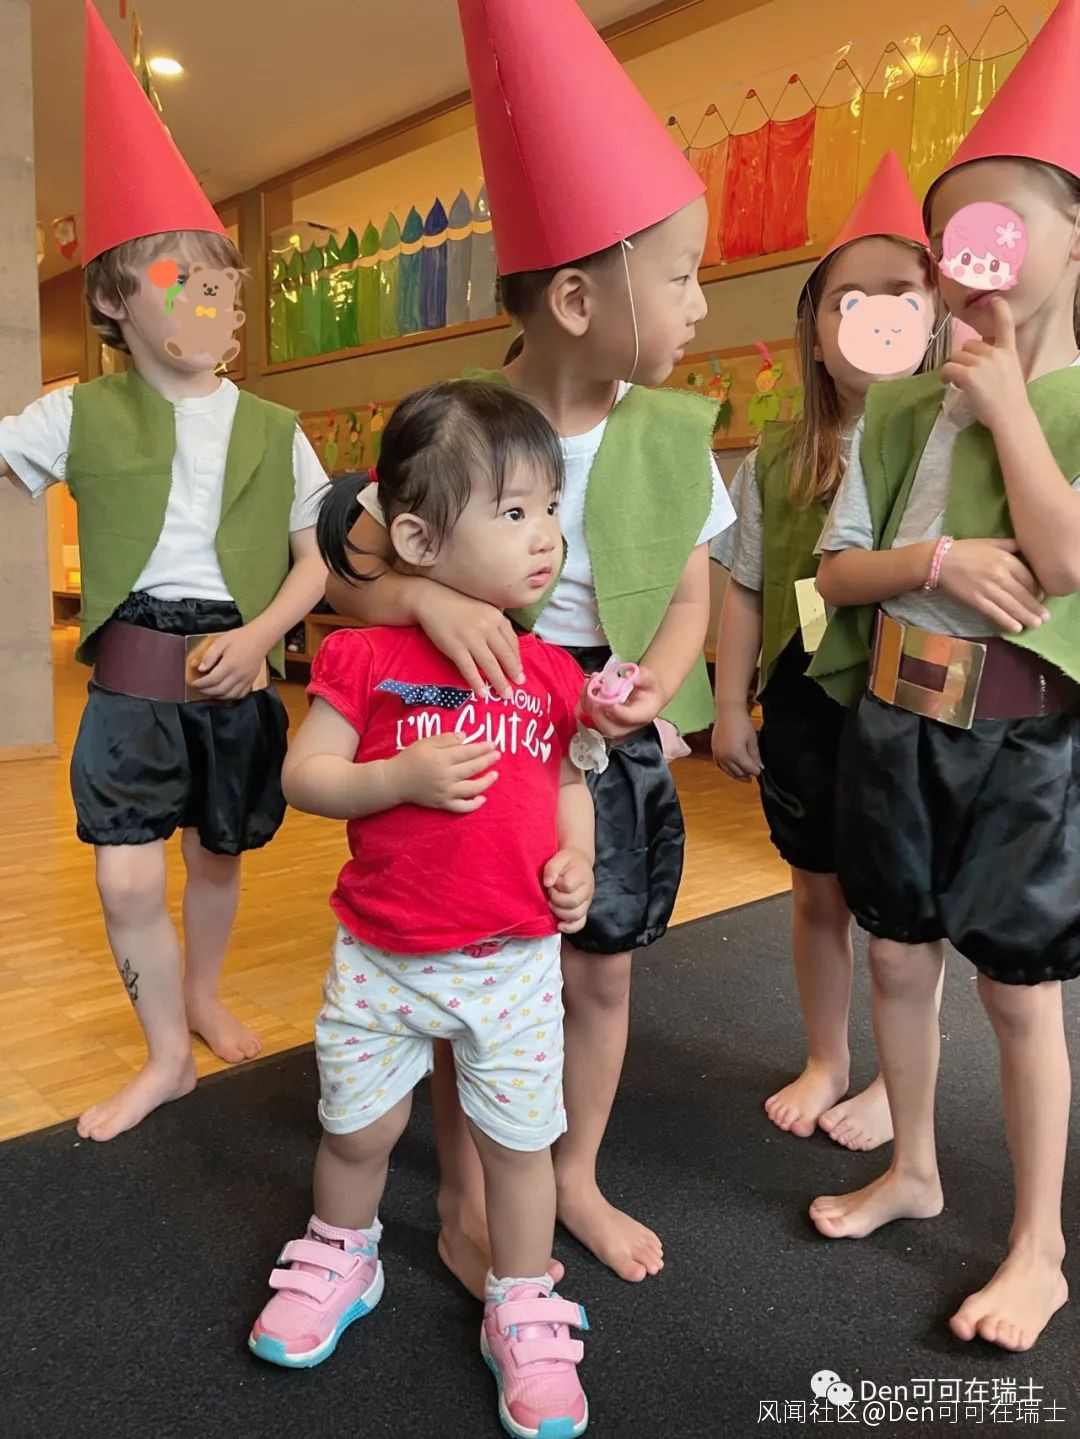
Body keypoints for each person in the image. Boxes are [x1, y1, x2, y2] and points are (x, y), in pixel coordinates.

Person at [320, 0, 734, 1293]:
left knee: (594, 978)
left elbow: (692, 594)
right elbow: (349, 574)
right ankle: (464, 1187)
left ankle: (573, 1174)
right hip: (472, 748)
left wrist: (658, 683)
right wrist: (424, 603)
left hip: (598, 743)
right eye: (680, 276)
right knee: (469, 976)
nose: (701, 303)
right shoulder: (464, 429)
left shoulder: (672, 434)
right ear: (576, 296)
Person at [0, 2, 328, 1141]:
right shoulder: (75, 411)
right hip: (130, 681)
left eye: (222, 284)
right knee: (127, 878)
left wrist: (265, 637)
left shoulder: (276, 425)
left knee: (219, 855)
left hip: (237, 669)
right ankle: (164, 1054)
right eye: (180, 278)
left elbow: (314, 558)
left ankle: (201, 994)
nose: (209, 300)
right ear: (112, 298)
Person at [807, 0, 1080, 1350]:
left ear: (1072, 241)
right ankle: (914, 1162)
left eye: (1002, 228)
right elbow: (835, 570)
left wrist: (1011, 403)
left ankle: (1039, 1241)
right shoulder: (901, 403)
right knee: (898, 956)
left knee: (1018, 988)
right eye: (950, 237)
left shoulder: (1066, 395)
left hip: (1024, 738)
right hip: (896, 718)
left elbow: (1067, 560)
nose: (971, 260)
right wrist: (939, 558)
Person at [250, 380, 594, 1439]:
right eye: (514, 510)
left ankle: (522, 1301)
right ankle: (341, 1254)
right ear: (417, 538)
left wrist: (578, 856)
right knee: (357, 1129)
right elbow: (305, 776)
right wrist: (394, 778)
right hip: (382, 955)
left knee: (520, 1147)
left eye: (551, 507)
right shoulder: (364, 655)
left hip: (513, 961)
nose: (545, 535)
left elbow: (568, 780)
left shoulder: (548, 670)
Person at [712, 152, 945, 1151]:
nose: (875, 317)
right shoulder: (777, 457)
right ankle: (827, 1056)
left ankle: (898, 1078)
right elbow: (745, 585)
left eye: (901, 295)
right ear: (814, 329)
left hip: (912, 697)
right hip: (806, 696)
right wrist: (730, 703)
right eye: (851, 299)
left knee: (901, 903)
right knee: (816, 886)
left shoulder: (948, 442)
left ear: (934, 317)